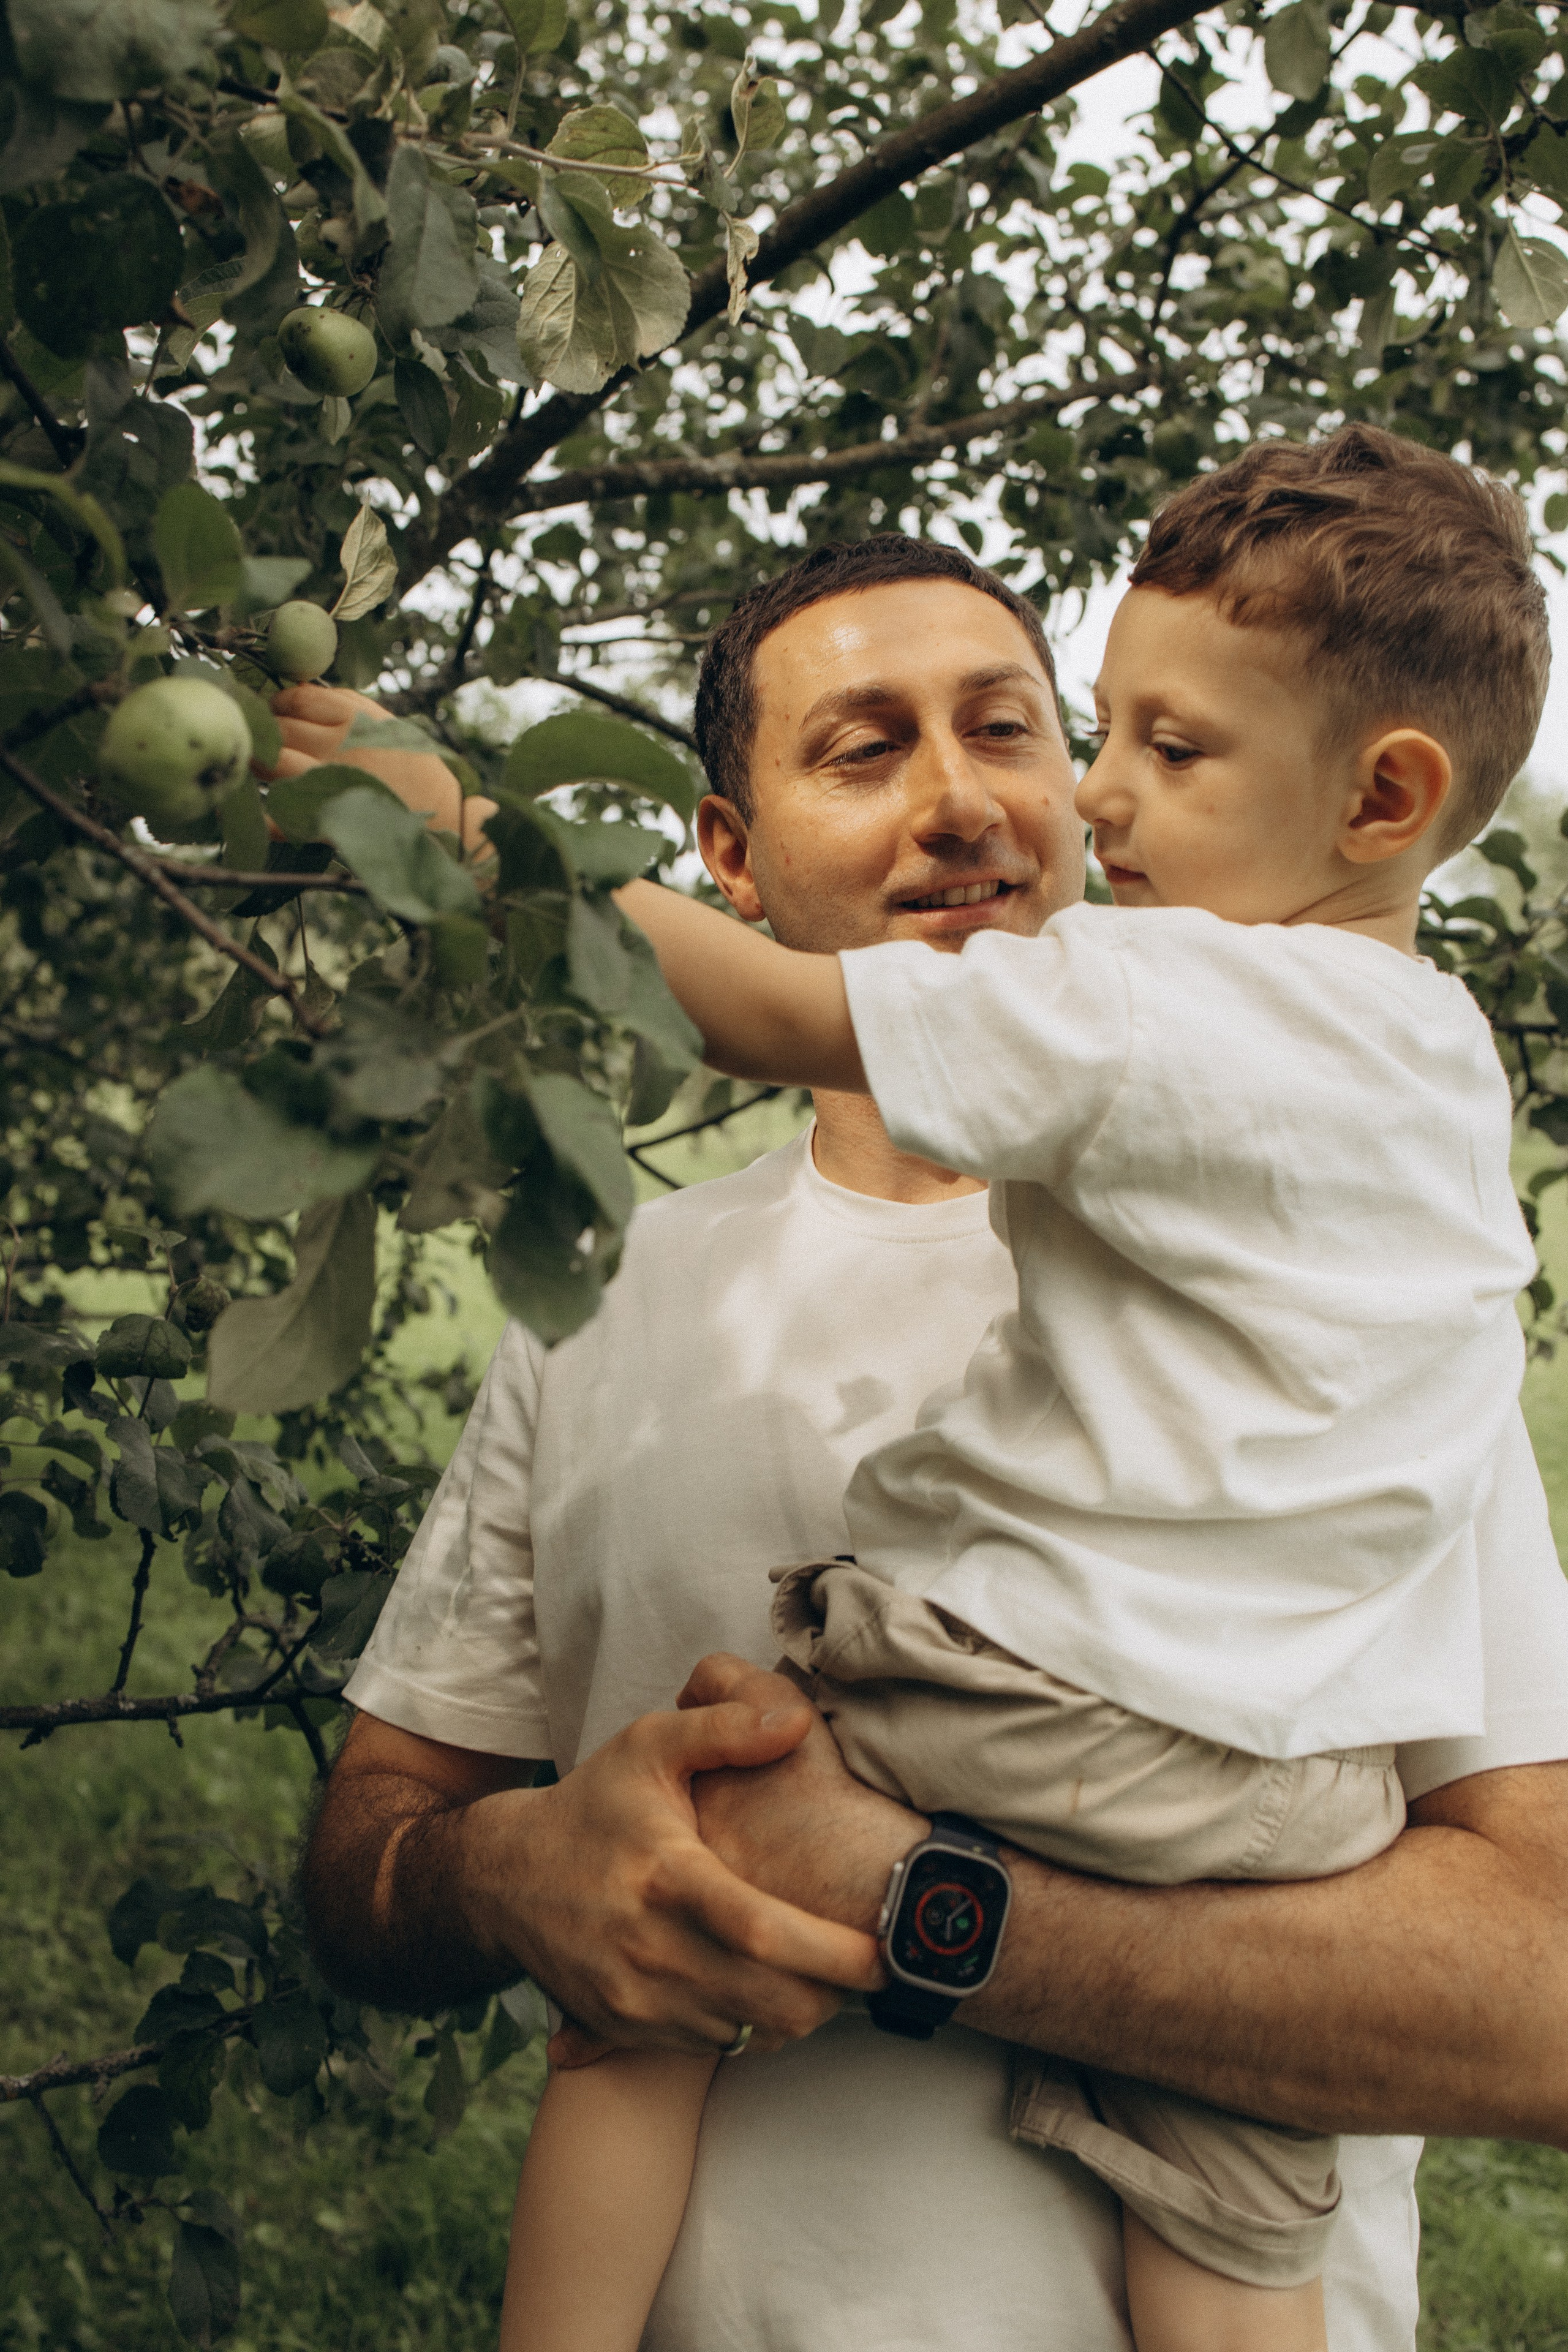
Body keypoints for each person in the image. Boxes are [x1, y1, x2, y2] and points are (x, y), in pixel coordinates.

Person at [295, 529, 1568, 2352]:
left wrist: (906, 1901)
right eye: (866, 748)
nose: (966, 799)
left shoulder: (1311, 1298)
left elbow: (1546, 2003)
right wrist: (516, 1874)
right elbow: (376, 1852)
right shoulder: (606, 1293)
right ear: (726, 854)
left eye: (1012, 729)